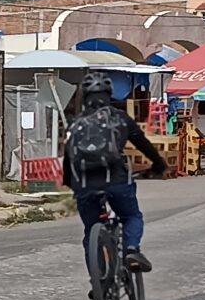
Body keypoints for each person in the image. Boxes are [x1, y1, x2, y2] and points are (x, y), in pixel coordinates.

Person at [62, 72, 168, 272]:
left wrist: (70, 183)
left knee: (89, 232)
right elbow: (142, 143)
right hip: (116, 179)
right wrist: (158, 164)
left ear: (84, 96)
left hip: (85, 185)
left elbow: (68, 159)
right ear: (110, 94)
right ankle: (131, 251)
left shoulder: (75, 124)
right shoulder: (120, 118)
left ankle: (99, 279)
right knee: (131, 217)